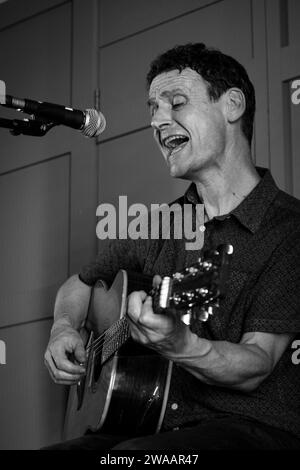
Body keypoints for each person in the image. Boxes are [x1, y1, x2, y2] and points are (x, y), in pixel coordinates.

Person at [44, 43, 300, 450]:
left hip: (251, 430)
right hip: (146, 424)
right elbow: (78, 285)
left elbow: (257, 363)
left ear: (232, 105)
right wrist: (62, 329)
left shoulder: (289, 229)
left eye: (176, 103)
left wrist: (184, 346)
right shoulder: (157, 226)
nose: (157, 121)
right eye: (152, 109)